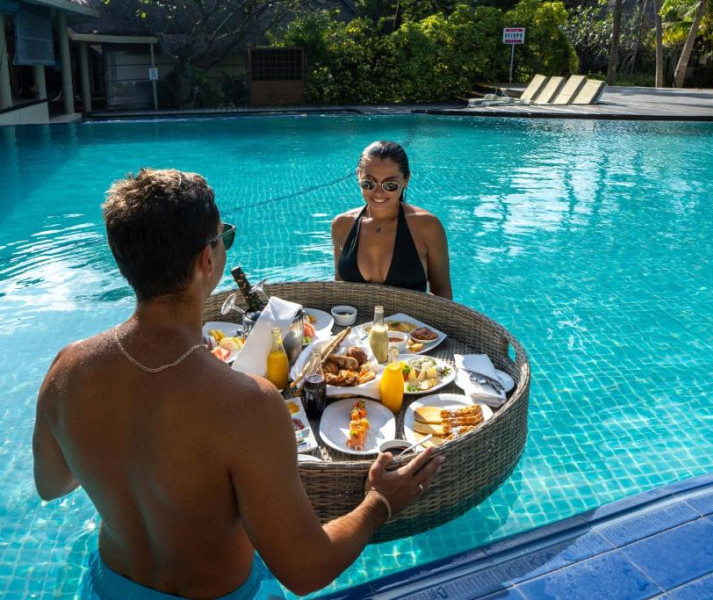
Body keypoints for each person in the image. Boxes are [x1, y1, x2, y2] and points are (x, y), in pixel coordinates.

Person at [32, 168, 443, 599]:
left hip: (107, 588)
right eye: (222, 238)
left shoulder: (68, 370)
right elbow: (307, 571)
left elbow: (52, 485)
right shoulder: (245, 405)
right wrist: (380, 502)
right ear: (206, 260)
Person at [332, 141, 453, 299]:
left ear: (406, 179)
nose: (378, 193)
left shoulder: (427, 226)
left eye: (390, 185)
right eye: (369, 183)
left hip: (410, 316)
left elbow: (442, 291)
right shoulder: (342, 225)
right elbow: (339, 290)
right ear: (358, 176)